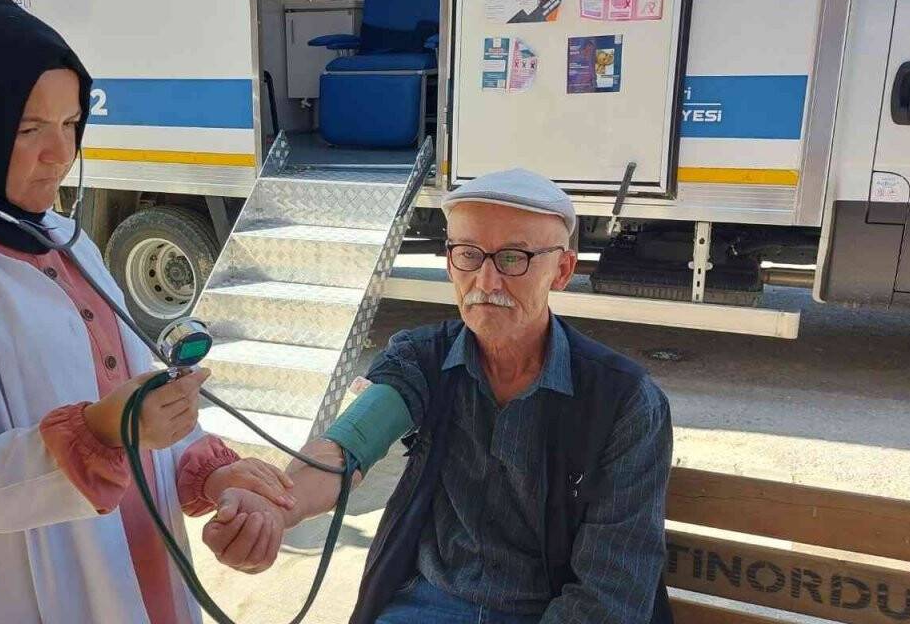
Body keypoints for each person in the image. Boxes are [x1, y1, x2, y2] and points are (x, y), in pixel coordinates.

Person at [0, 0, 293, 623]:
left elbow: (131, 401)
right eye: (27, 129)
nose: (60, 153)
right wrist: (99, 434)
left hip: (146, 578)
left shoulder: (66, 240)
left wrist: (210, 475)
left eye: (71, 123)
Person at [203, 169, 675, 623]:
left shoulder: (623, 402)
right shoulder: (423, 360)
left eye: (514, 258)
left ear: (563, 269)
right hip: (429, 605)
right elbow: (347, 446)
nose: (487, 282)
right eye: (469, 254)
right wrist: (275, 509)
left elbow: (609, 595)